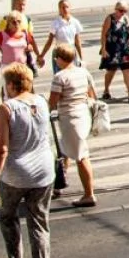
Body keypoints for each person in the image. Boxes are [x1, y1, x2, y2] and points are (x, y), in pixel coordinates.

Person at [0, 63, 55, 258]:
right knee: (39, 223)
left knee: (8, 218)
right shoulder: (42, 101)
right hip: (44, 172)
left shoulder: (7, 109)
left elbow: (1, 149)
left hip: (15, 175)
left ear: (10, 84)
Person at [48, 44, 97, 207]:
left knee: (81, 156)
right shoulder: (83, 72)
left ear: (60, 59)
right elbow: (92, 94)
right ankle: (59, 183)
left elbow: (52, 102)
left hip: (70, 119)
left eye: (56, 58)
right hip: (83, 115)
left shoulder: (60, 77)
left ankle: (89, 194)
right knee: (65, 150)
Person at [98, 1, 129, 103]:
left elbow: (128, 34)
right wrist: (103, 49)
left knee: (127, 70)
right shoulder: (110, 19)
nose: (123, 13)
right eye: (121, 11)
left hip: (123, 49)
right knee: (111, 71)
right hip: (112, 49)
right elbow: (103, 35)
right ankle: (106, 90)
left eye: (125, 11)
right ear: (115, 9)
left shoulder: (125, 19)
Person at [0, 11, 40, 88]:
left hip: (22, 66)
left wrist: (30, 48)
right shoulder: (2, 35)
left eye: (19, 21)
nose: (16, 23)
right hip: (7, 67)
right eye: (14, 22)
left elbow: (31, 44)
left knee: (24, 89)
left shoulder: (25, 33)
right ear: (8, 23)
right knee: (8, 90)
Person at [38, 0, 85, 71]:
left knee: (72, 74)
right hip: (60, 53)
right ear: (59, 9)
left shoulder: (75, 22)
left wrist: (82, 58)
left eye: (67, 7)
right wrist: (41, 55)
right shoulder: (56, 23)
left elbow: (77, 42)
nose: (65, 9)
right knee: (60, 76)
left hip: (71, 52)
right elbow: (49, 41)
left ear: (70, 8)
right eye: (62, 7)